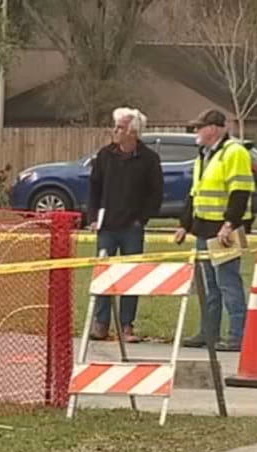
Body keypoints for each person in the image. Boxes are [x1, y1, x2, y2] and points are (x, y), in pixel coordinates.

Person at [174, 109, 254, 351]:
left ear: (215, 128)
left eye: (200, 127)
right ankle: (208, 332)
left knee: (228, 283)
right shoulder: (204, 155)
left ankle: (236, 335)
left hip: (223, 230)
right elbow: (195, 192)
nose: (196, 132)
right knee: (208, 285)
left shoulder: (234, 152)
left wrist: (229, 224)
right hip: (203, 227)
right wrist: (184, 225)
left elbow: (240, 191)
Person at [87, 107, 163, 342]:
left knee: (132, 276)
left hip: (132, 227)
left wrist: (142, 219)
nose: (115, 131)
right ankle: (101, 324)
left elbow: (156, 193)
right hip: (107, 227)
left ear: (133, 131)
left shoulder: (149, 159)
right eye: (116, 126)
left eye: (120, 127)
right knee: (104, 274)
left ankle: (127, 325)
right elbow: (94, 189)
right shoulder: (105, 155)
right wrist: (92, 218)